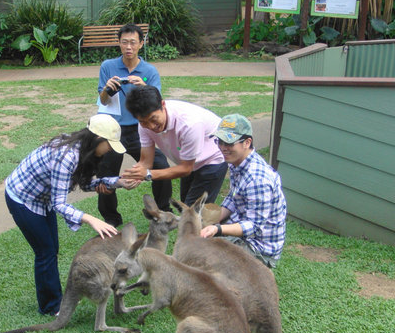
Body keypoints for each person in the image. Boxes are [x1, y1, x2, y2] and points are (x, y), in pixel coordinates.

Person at [4, 114, 134, 316]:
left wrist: (116, 182)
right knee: (45, 252)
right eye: (109, 145)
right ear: (98, 140)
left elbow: (81, 183)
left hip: (42, 198)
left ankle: (55, 301)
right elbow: (59, 204)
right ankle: (50, 308)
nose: (109, 150)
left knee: (51, 249)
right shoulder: (67, 156)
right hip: (23, 198)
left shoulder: (82, 150)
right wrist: (91, 219)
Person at [96, 23, 172, 227]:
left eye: (132, 42)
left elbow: (157, 104)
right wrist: (107, 89)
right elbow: (102, 101)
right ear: (119, 44)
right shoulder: (108, 66)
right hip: (113, 130)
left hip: (141, 129)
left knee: (160, 164)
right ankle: (111, 217)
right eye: (124, 42)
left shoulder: (149, 70)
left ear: (141, 43)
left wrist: (144, 87)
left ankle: (163, 209)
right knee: (105, 174)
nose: (128, 47)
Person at [200, 114, 287, 268]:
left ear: (247, 142)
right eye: (220, 141)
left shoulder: (257, 180)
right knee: (202, 239)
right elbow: (233, 198)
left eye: (229, 142)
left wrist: (217, 228)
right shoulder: (237, 163)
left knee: (207, 258)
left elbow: (253, 227)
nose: (222, 147)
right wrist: (212, 219)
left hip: (259, 248)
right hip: (243, 225)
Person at [121, 85, 228, 205]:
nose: (151, 126)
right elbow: (146, 162)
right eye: (143, 121)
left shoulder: (189, 124)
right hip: (187, 160)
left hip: (212, 158)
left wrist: (148, 174)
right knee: (186, 206)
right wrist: (132, 176)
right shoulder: (143, 125)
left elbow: (186, 169)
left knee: (192, 212)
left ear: (163, 104)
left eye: (153, 119)